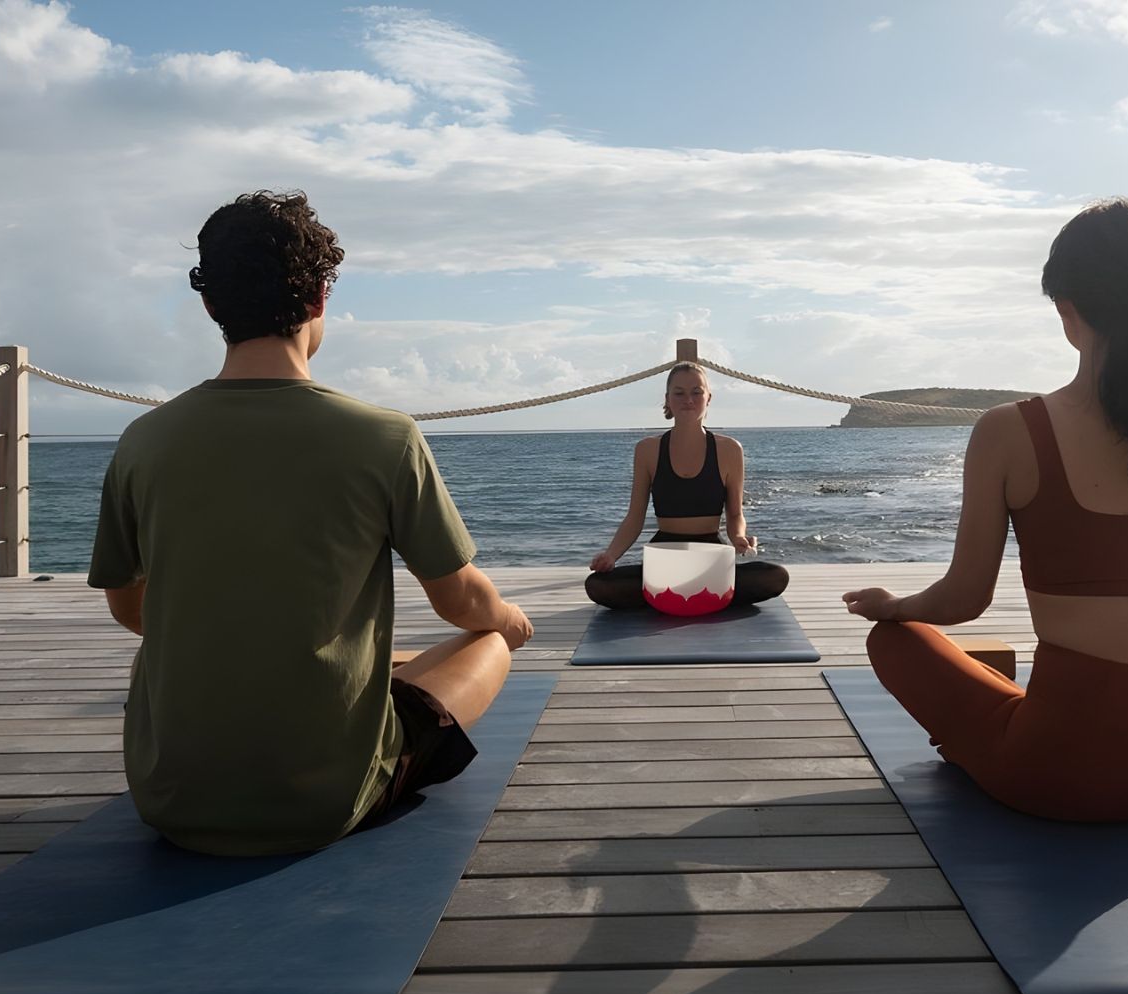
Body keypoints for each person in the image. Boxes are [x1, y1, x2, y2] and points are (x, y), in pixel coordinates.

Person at [88, 190, 533, 856]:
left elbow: (132, 607)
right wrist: (509, 621)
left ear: (212, 305)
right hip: (324, 797)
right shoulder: (384, 437)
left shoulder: (143, 442)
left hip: (172, 795)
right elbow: (459, 600)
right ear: (320, 298)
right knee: (486, 642)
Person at [842, 198, 1128, 821]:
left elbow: (963, 601)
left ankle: (1003, 721)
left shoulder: (1009, 431)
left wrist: (894, 607)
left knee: (894, 642)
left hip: (1058, 774)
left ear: (1067, 311)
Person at [585, 360, 790, 609]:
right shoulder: (647, 450)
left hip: (711, 555)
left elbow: (735, 513)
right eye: (679, 393)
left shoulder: (729, 449)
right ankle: (704, 594)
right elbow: (634, 518)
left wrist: (738, 538)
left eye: (696, 392)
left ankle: (671, 595)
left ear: (708, 398)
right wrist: (611, 555)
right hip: (664, 556)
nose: (688, 400)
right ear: (668, 399)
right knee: (597, 585)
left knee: (775, 576)